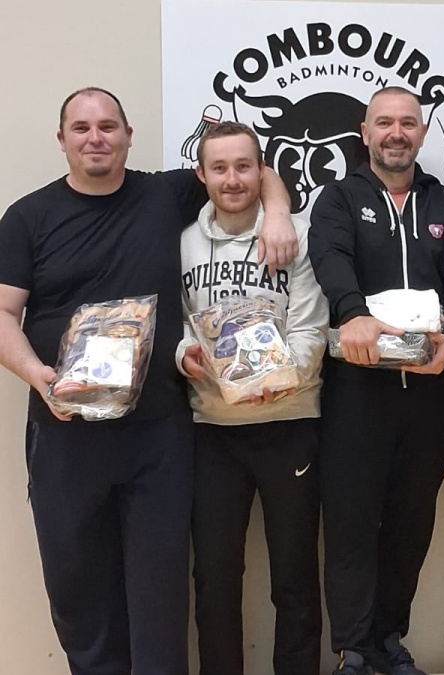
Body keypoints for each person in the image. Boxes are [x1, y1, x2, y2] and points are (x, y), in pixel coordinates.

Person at [0, 87, 296, 675]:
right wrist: (38, 376)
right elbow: (4, 314)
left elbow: (249, 170)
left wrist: (280, 214)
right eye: (81, 128)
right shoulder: (27, 217)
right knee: (77, 588)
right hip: (65, 426)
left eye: (108, 126)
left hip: (156, 432)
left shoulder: (164, 195)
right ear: (62, 140)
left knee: (159, 592)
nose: (96, 138)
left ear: (128, 135)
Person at [308, 86, 444, 675]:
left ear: (422, 133)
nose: (396, 133)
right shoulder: (338, 197)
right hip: (357, 390)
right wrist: (352, 312)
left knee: (412, 521)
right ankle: (354, 650)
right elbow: (330, 258)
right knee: (352, 522)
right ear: (365, 133)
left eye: (408, 123)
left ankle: (388, 640)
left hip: (430, 388)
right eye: (384, 123)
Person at [177, 121, 329, 675]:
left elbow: (312, 328)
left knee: (294, 575)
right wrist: (185, 355)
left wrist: (273, 380)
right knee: (214, 577)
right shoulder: (183, 243)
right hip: (212, 430)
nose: (232, 179)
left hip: (290, 422)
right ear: (202, 174)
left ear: (262, 171)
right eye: (219, 168)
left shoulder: (297, 235)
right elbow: (179, 323)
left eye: (244, 166)